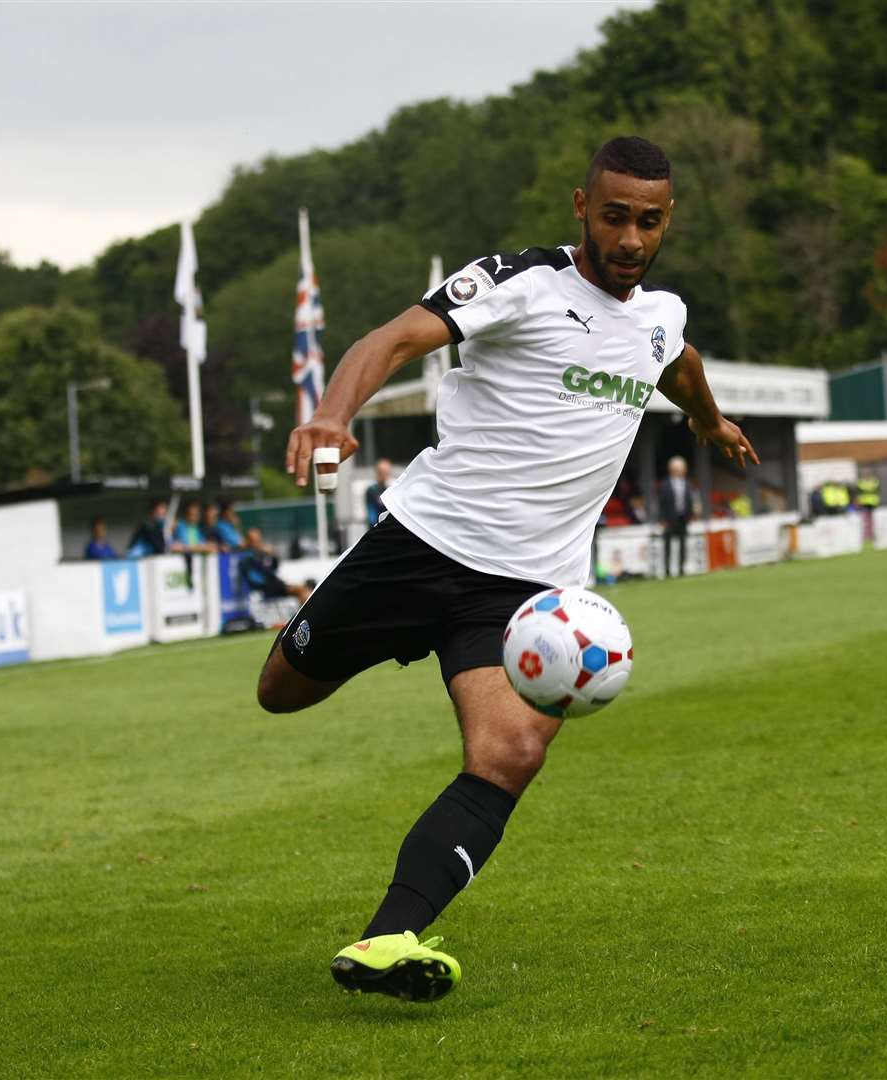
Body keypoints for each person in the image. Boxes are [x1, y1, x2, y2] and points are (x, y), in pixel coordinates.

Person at [256, 136, 759, 1003]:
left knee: (512, 751)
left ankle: (389, 938)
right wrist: (335, 412)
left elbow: (677, 363)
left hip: (529, 596)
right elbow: (397, 337)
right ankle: (364, 636)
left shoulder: (661, 316)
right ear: (581, 206)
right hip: (419, 548)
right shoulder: (521, 282)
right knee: (279, 691)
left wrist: (708, 422)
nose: (630, 237)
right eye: (613, 216)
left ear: (666, 220)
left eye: (648, 221)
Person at [238, 528, 311, 603]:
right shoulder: (247, 557)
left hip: (274, 583)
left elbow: (274, 568)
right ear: (249, 541)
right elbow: (256, 577)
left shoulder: (259, 554)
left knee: (305, 589)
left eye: (259, 540)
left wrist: (273, 555)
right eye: (255, 541)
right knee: (300, 590)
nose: (258, 543)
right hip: (266, 588)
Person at [655, 455, 698, 577]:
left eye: (681, 468)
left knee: (683, 544)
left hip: (683, 518)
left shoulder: (688, 484)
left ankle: (681, 569)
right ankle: (667, 570)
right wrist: (662, 519)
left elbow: (690, 501)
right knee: (667, 545)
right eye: (676, 468)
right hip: (669, 519)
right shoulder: (665, 485)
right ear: (671, 469)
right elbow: (661, 503)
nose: (679, 471)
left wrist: (691, 514)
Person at [365, 458, 393, 527]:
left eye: (387, 472)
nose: (385, 475)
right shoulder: (372, 490)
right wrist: (375, 525)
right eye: (382, 472)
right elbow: (371, 513)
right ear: (378, 472)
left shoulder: (390, 490)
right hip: (376, 526)